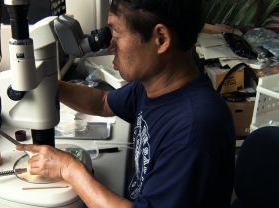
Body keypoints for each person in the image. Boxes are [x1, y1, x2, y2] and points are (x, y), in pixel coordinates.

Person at [16, 0, 236, 207]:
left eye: (116, 33)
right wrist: (48, 84)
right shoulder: (153, 85)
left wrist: (68, 169)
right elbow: (101, 103)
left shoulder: (194, 130)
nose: (110, 45)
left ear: (160, 38)